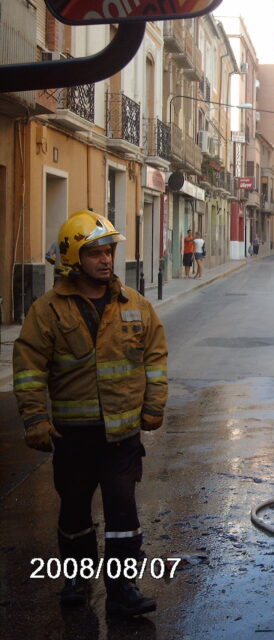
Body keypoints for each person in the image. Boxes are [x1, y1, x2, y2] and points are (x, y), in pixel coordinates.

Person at [13, 210, 168, 617]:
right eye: (94, 252)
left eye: (109, 251)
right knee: (75, 511)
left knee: (123, 512)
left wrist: (154, 406)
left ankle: (122, 590)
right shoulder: (47, 311)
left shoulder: (134, 305)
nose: (105, 260)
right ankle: (77, 579)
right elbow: (29, 367)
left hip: (121, 435)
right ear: (73, 258)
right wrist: (34, 418)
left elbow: (155, 358)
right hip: (73, 435)